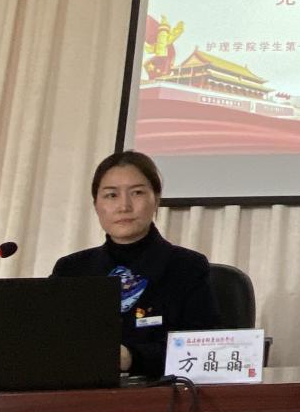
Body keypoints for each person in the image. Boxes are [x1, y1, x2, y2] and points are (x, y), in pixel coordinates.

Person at [52, 150, 219, 377]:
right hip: (84, 392)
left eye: (137, 193)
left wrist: (131, 357)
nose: (124, 206)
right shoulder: (71, 270)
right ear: (96, 205)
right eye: (111, 195)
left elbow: (203, 349)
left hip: (161, 392)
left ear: (156, 199)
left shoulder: (188, 267)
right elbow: (49, 342)